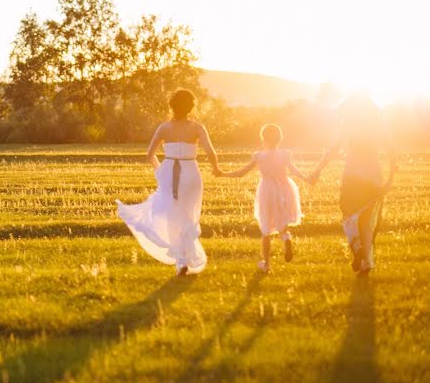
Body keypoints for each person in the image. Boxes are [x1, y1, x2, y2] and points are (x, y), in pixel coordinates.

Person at [117, 89, 220, 276]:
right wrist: (216, 169)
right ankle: (185, 256)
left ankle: (181, 260)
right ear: (191, 107)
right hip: (190, 173)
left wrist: (161, 171)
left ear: (172, 106)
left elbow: (150, 155)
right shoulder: (197, 128)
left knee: (172, 214)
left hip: (168, 171)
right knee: (188, 215)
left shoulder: (164, 128)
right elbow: (211, 153)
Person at [309, 93, 396, 275]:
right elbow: (391, 150)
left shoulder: (348, 125)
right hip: (374, 178)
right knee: (365, 222)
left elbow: (333, 150)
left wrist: (318, 169)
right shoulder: (379, 125)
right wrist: (390, 179)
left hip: (353, 178)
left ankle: (357, 249)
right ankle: (367, 263)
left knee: (348, 217)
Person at [216, 124, 307, 273]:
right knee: (282, 220)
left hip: (267, 190)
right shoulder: (284, 155)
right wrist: (307, 178)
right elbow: (294, 170)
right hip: (284, 189)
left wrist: (223, 173)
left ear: (263, 139)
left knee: (266, 230)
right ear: (280, 139)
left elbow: (241, 173)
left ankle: (266, 264)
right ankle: (286, 237)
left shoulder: (259, 156)